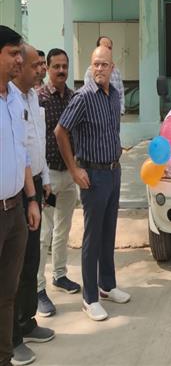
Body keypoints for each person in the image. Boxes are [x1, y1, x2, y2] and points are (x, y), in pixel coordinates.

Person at [55, 46, 130, 322]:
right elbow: (60, 131)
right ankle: (90, 298)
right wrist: (74, 170)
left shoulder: (114, 95)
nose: (99, 69)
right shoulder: (83, 97)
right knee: (93, 237)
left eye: (104, 64)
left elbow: (112, 130)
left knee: (109, 232)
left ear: (112, 68)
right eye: (95, 64)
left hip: (113, 172)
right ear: (90, 67)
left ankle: (107, 285)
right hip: (93, 177)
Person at [12, 44, 55, 366]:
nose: (41, 69)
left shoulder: (32, 97)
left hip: (36, 183)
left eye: (42, 64)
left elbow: (38, 143)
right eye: (35, 65)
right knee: (13, 267)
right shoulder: (10, 100)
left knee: (31, 259)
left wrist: (45, 180)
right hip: (17, 190)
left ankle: (27, 321)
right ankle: (11, 337)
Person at [0, 26, 41, 366]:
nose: (19, 60)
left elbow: (22, 153)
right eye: (13, 53)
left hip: (15, 209)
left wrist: (31, 199)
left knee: (7, 293)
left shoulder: (14, 99)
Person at [37, 48, 80, 318]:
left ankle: (60, 275)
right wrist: (41, 178)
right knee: (44, 234)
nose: (61, 71)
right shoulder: (39, 99)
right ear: (48, 68)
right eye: (56, 67)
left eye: (65, 66)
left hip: (69, 175)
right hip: (49, 177)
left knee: (64, 229)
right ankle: (38, 288)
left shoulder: (74, 98)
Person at [83, 36, 125, 115]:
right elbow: (88, 96)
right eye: (104, 47)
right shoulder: (90, 72)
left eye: (109, 48)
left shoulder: (116, 71)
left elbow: (121, 94)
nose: (107, 50)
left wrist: (120, 112)